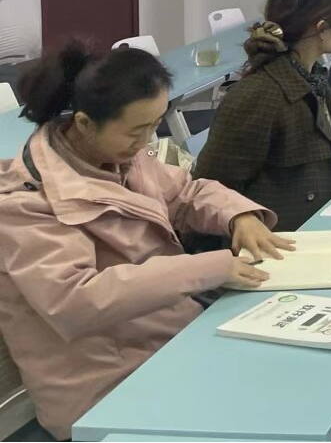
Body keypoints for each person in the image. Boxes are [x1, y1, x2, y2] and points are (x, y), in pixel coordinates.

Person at [0, 43, 290, 439]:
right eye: (137, 130)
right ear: (84, 123)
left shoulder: (118, 154)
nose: (148, 139)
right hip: (103, 385)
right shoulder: (25, 206)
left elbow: (185, 193)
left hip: (165, 342)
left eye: (155, 124)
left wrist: (238, 215)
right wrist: (207, 268)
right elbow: (75, 300)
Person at [195, 0, 331, 231]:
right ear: (321, 28)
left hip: (321, 226)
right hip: (277, 242)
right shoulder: (259, 95)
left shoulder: (313, 79)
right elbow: (212, 189)